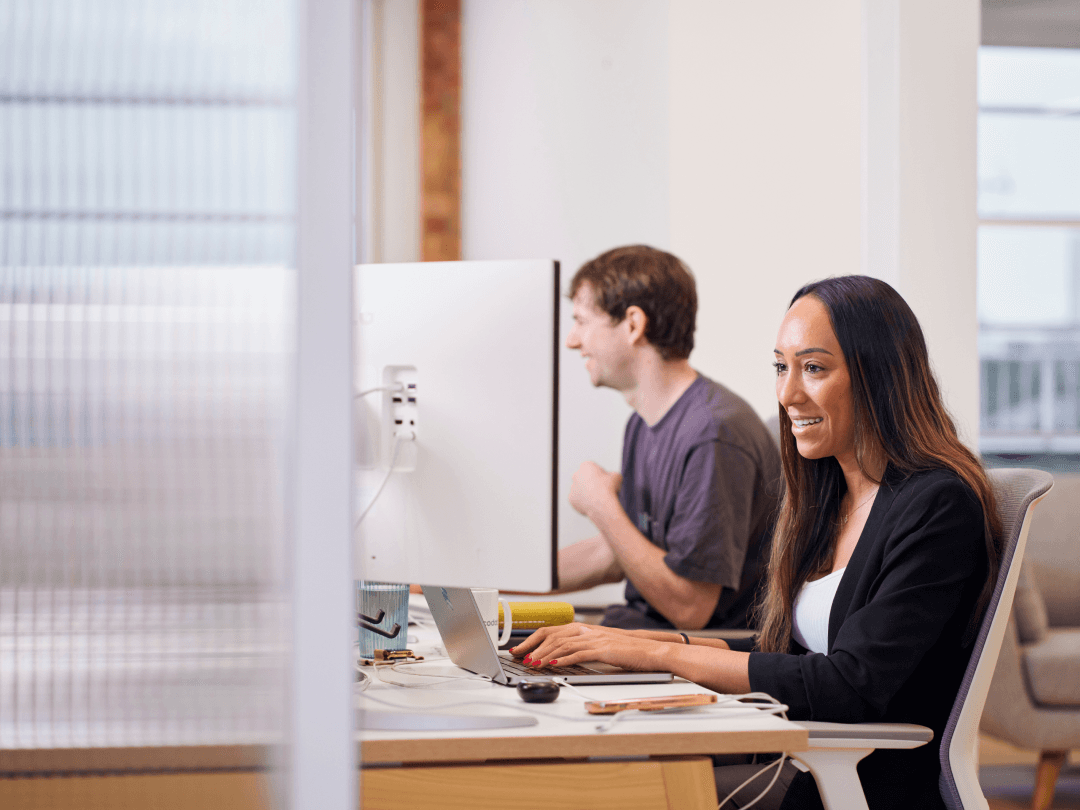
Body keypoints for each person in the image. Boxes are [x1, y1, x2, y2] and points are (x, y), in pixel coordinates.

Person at [515, 275, 1001, 810]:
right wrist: (638, 653)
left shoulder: (938, 504)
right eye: (780, 367)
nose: (787, 393)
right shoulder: (830, 495)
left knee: (591, 793)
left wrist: (654, 651)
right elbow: (786, 654)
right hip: (806, 767)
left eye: (813, 368)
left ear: (880, 375)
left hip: (860, 785)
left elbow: (848, 683)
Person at [558, 245, 781, 630]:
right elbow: (621, 553)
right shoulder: (644, 423)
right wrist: (478, 581)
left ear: (632, 325)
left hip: (693, 656)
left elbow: (690, 608)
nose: (573, 340)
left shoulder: (715, 434)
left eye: (582, 321)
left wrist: (600, 505)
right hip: (640, 637)